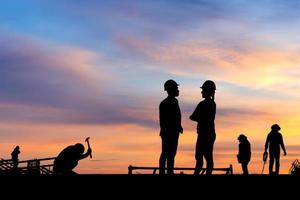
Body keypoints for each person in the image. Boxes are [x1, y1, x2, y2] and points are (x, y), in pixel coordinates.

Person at [190, 80, 216, 175]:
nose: (201, 92)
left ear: (207, 91)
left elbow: (193, 117)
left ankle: (197, 174)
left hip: (204, 134)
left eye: (203, 90)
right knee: (207, 156)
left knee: (201, 156)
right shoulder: (212, 104)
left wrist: (200, 118)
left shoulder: (203, 104)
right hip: (208, 133)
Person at [159, 79, 183, 175]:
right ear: (171, 89)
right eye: (176, 88)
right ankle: (167, 172)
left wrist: (178, 126)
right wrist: (177, 127)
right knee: (168, 153)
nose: (178, 90)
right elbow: (172, 117)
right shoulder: (171, 102)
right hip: (170, 132)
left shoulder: (167, 102)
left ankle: (167, 172)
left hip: (169, 131)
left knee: (168, 153)